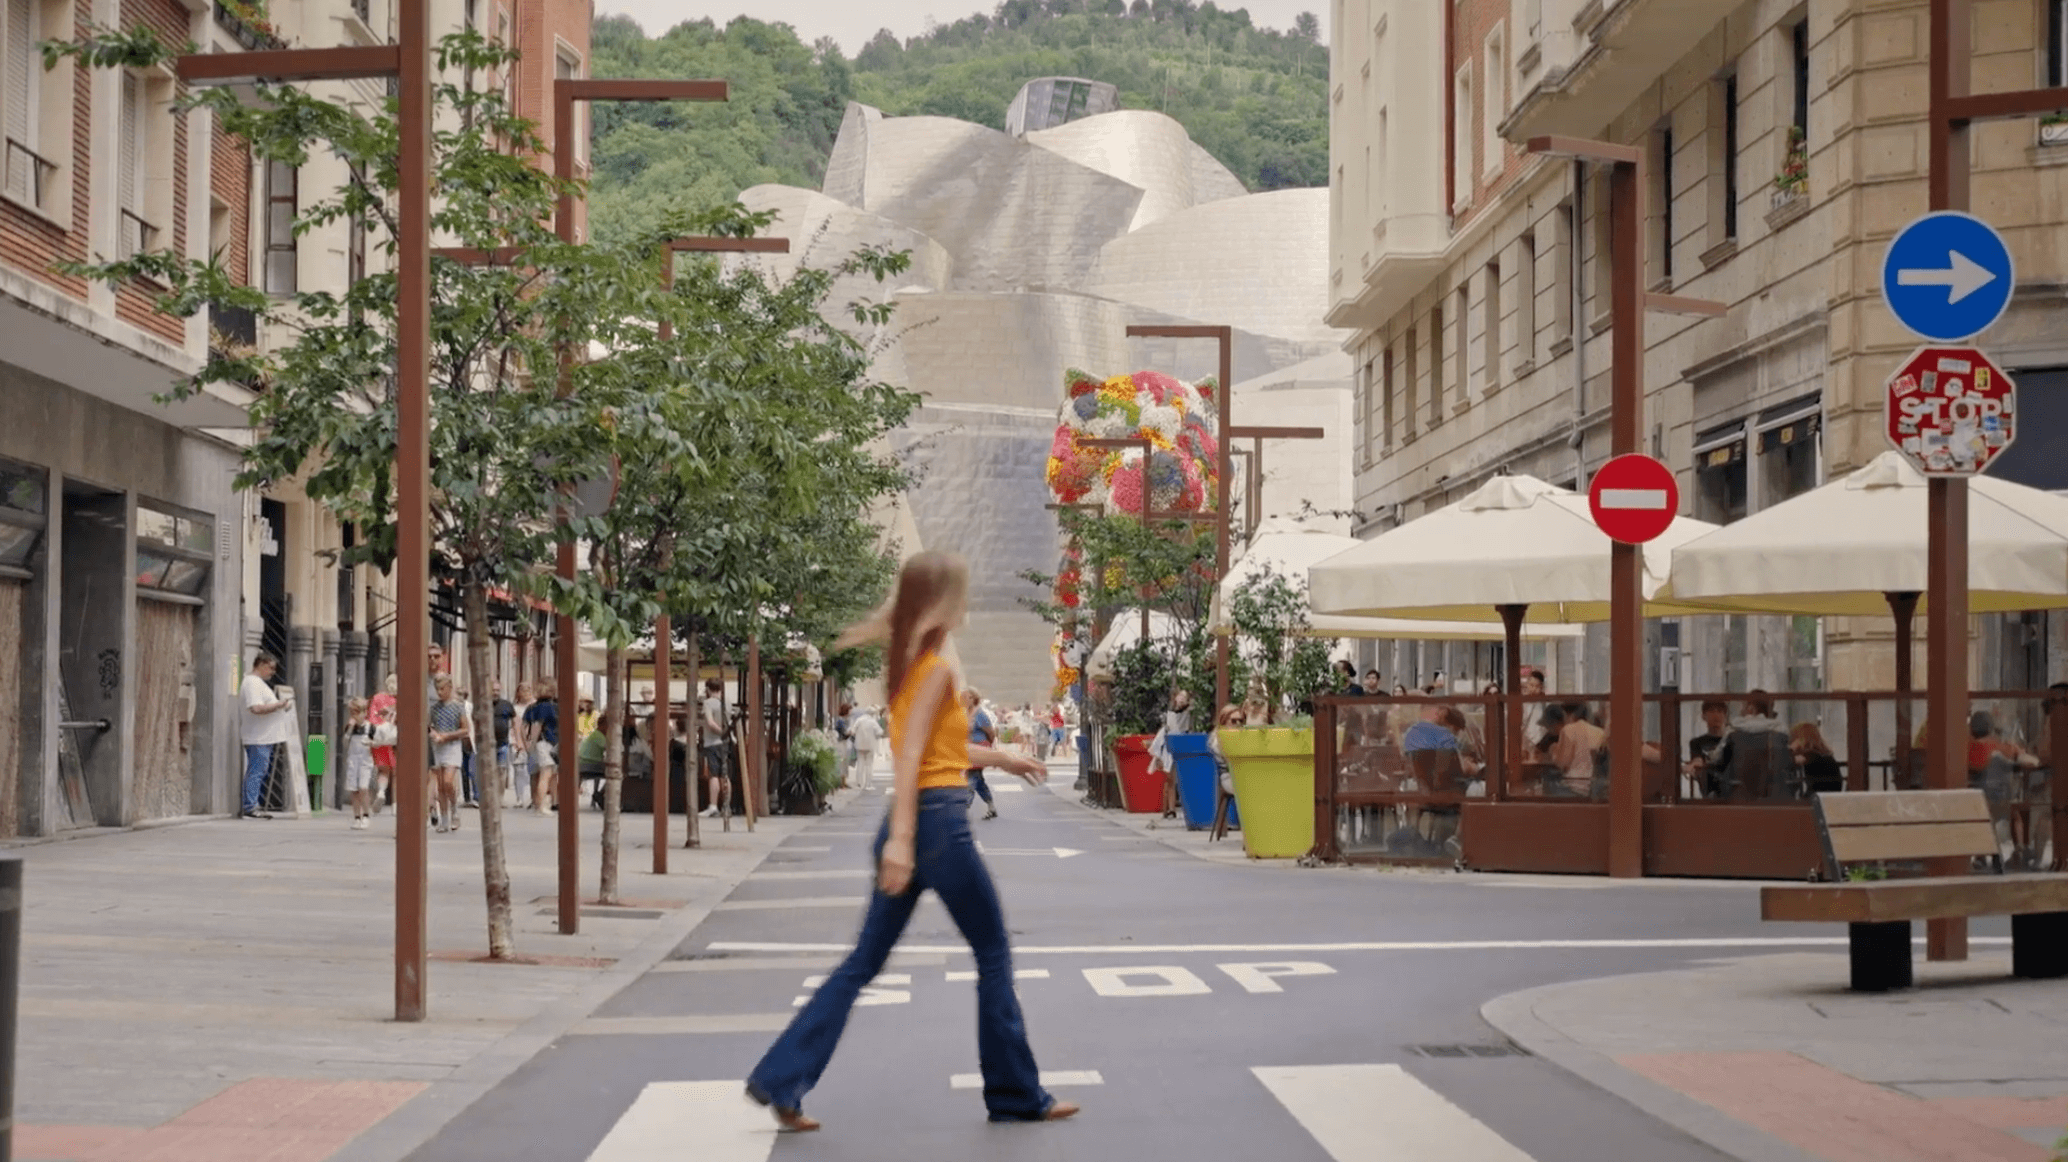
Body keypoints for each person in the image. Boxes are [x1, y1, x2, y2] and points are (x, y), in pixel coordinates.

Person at [744, 551, 1074, 1132]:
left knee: (862, 963)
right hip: (936, 825)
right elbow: (914, 759)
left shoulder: (909, 666)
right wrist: (902, 840)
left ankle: (780, 1079)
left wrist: (1003, 758)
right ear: (944, 605)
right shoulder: (938, 670)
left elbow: (938, 752)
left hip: (920, 821)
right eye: (961, 596)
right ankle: (1015, 1093)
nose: (967, 606)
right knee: (993, 952)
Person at [1707, 693, 1792, 801]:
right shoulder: (1780, 731)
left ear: (1751, 708)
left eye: (1742, 706)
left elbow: (1716, 759)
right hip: (1774, 793)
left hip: (1736, 794)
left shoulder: (1734, 730)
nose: (1740, 711)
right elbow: (1785, 761)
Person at [238, 652, 292, 819]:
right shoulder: (252, 683)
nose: (272, 672)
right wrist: (278, 705)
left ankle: (253, 804)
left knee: (260, 770)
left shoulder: (256, 683)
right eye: (270, 668)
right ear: (261, 665)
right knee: (256, 770)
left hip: (263, 736)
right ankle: (250, 806)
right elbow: (256, 708)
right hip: (258, 737)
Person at [429, 676, 467, 832]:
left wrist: (447, 736)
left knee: (448, 781)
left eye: (442, 689)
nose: (439, 692)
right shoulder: (434, 708)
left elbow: (465, 729)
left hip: (452, 745)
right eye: (437, 689)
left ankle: (454, 809)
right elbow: (429, 726)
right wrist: (434, 734)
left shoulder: (458, 706)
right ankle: (444, 819)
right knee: (440, 786)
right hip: (438, 746)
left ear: (450, 688)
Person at [963, 687, 999, 819]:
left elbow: (991, 733)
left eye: (968, 697)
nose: (965, 700)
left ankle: (963, 810)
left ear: (974, 698)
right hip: (968, 752)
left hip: (979, 751)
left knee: (971, 780)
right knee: (978, 781)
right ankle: (991, 806)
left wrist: (990, 750)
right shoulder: (964, 713)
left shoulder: (980, 714)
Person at [1685, 700, 1731, 798]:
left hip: (1730, 791)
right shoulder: (1697, 743)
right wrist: (1693, 765)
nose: (1716, 715)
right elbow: (1698, 760)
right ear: (1703, 716)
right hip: (1709, 793)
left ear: (1725, 715)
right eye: (1711, 711)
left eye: (1719, 711)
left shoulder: (1732, 740)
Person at [523, 686, 559, 814]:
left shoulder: (535, 706)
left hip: (546, 743)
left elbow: (525, 725)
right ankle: (541, 806)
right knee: (546, 774)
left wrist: (529, 743)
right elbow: (538, 725)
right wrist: (532, 743)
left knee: (545, 774)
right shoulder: (547, 706)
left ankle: (540, 803)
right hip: (547, 742)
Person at [699, 679, 731, 819]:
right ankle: (727, 805)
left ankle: (713, 806)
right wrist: (726, 734)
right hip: (727, 742)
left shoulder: (708, 703)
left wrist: (720, 732)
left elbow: (710, 722)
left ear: (708, 689)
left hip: (712, 741)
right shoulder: (727, 702)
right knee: (724, 774)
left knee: (713, 774)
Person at [342, 696, 376, 829]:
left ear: (364, 712)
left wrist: (372, 743)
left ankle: (366, 815)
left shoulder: (370, 728)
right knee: (354, 789)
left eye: (358, 713)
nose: (356, 716)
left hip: (365, 761)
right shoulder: (351, 728)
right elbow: (345, 743)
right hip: (353, 760)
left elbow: (377, 743)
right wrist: (350, 729)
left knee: (363, 788)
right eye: (353, 713)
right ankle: (357, 817)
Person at [368, 673, 399, 814]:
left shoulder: (377, 698)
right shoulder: (400, 700)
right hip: (396, 738)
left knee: (383, 769)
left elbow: (372, 718)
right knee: (397, 773)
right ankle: (395, 804)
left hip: (381, 737)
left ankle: (381, 792)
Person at [1790, 722, 1844, 796]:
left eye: (1794, 739)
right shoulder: (1824, 755)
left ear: (1801, 739)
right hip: (1831, 796)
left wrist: (1791, 751)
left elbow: (1792, 760)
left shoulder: (1809, 756)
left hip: (1819, 796)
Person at [509, 683, 534, 809]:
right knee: (519, 771)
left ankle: (532, 797)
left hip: (531, 742)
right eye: (523, 691)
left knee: (532, 771)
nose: (526, 693)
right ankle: (519, 797)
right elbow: (513, 727)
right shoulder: (514, 708)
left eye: (528, 690)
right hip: (517, 743)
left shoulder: (534, 707)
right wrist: (516, 742)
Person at [491, 681, 516, 807]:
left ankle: (500, 798)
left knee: (501, 772)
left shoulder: (506, 705)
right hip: (487, 745)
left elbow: (515, 722)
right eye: (493, 690)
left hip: (503, 743)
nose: (495, 693)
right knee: (488, 772)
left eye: (497, 690)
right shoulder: (483, 705)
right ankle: (489, 798)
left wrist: (517, 740)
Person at [851, 705, 882, 784]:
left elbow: (853, 731)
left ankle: (859, 782)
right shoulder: (873, 721)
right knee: (869, 765)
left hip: (859, 745)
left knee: (860, 763)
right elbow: (879, 732)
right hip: (870, 746)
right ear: (872, 714)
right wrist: (875, 737)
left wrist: (858, 736)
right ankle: (868, 783)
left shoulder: (859, 720)